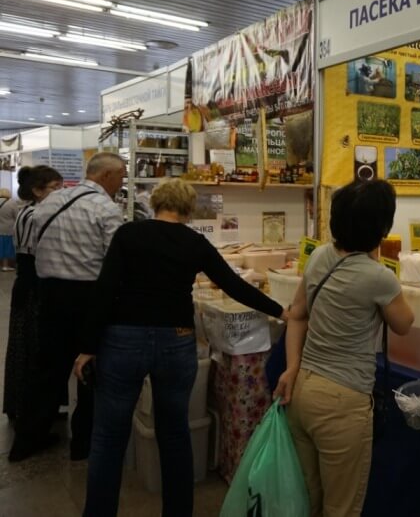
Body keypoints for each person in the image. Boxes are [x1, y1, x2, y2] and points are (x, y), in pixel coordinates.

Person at [72, 178, 287, 517]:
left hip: (123, 339)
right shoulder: (194, 242)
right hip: (177, 340)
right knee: (174, 435)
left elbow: (104, 291)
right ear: (188, 209)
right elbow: (232, 285)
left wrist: (87, 346)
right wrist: (280, 310)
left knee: (109, 437)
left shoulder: (128, 235)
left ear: (156, 203)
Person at [275, 178, 414, 517]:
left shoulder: (320, 256)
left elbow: (296, 316)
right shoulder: (378, 277)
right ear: (382, 228)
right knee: (341, 508)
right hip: (343, 400)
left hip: (302, 390)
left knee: (307, 500)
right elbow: (405, 324)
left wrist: (291, 366)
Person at [8, 153, 126, 463]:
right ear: (108, 176)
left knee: (46, 367)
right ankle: (82, 445)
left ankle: (26, 441)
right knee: (88, 368)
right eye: (122, 175)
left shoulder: (49, 202)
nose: (123, 181)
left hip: (48, 293)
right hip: (88, 296)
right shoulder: (105, 208)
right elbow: (116, 259)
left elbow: (32, 248)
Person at [3, 166, 63, 423]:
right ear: (37, 190)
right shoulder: (34, 214)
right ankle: (29, 409)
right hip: (33, 286)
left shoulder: (32, 211)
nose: (60, 193)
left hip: (32, 283)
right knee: (31, 347)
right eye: (54, 188)